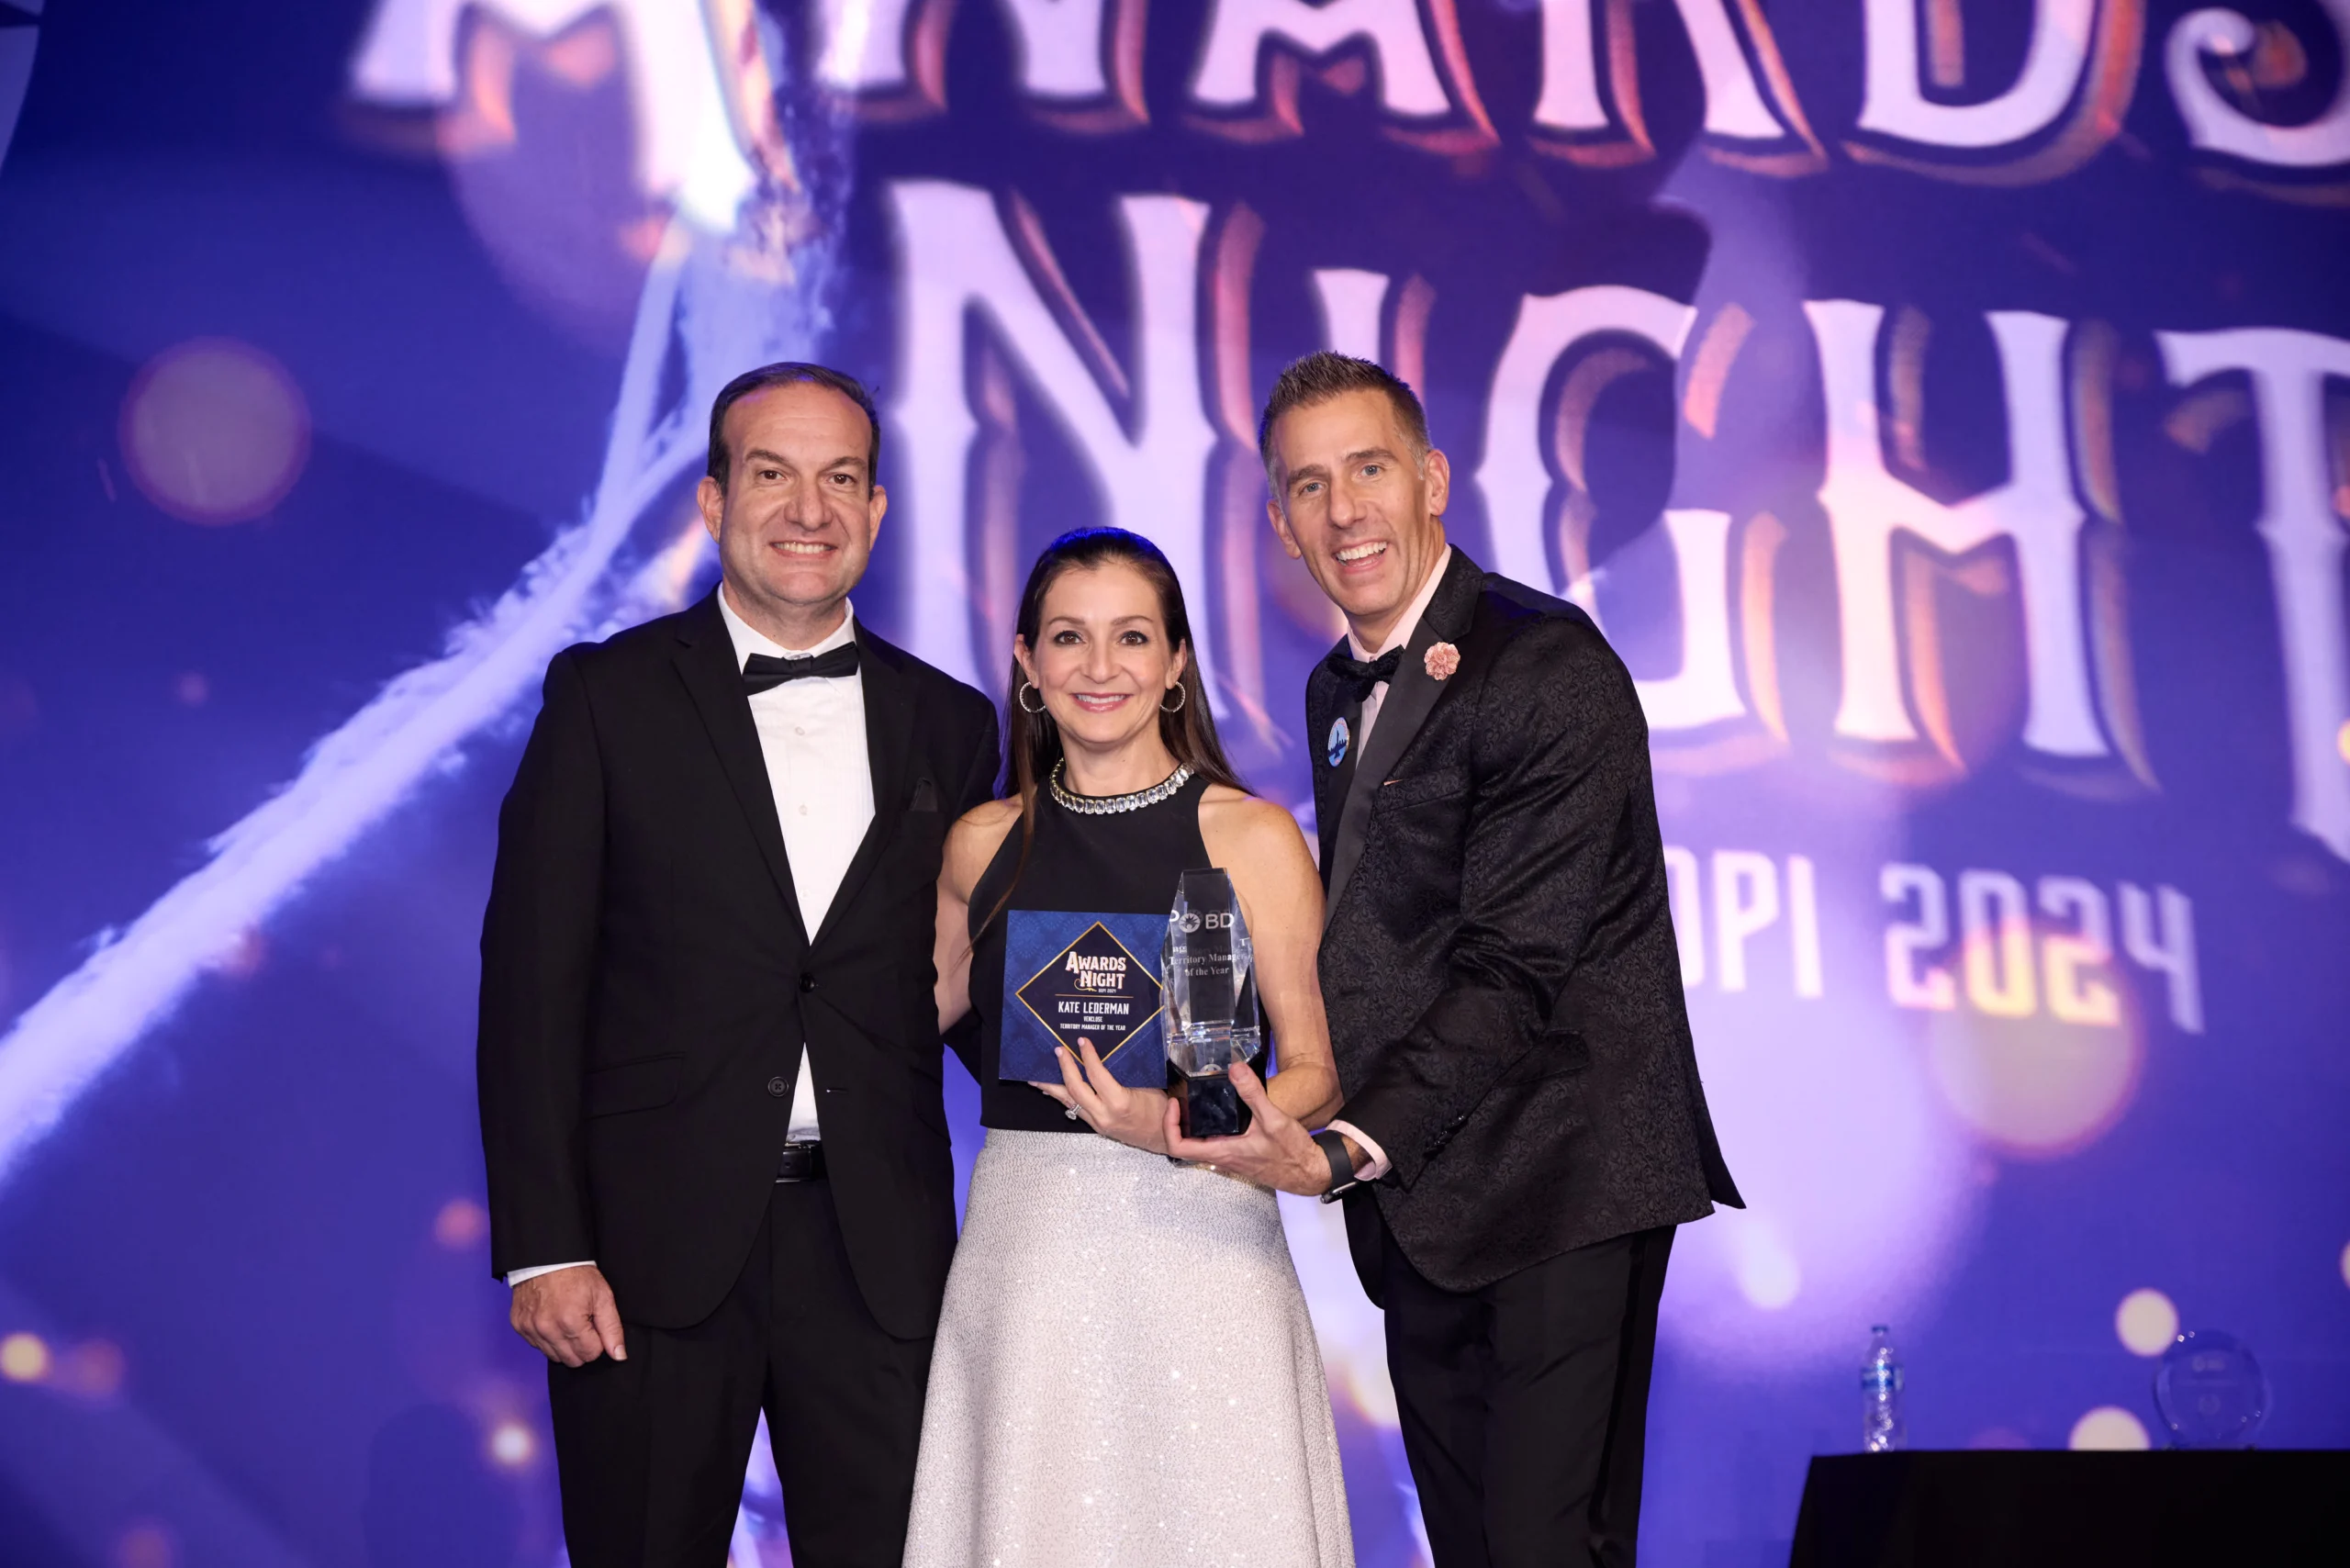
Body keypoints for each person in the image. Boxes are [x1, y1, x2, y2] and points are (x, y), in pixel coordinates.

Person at [1172, 352, 1742, 1568]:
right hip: (1425, 1201)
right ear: (1281, 522)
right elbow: (1387, 943)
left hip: (1562, 1179)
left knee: (1545, 1552)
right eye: (1310, 486)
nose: (1344, 511)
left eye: (1368, 470)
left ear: (1430, 479)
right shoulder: (1336, 690)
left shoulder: (1544, 663)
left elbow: (1513, 966)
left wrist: (1336, 1145)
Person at [476, 363, 999, 1568]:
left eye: (842, 480)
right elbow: (530, 987)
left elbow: (970, 985)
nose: (808, 509)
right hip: (647, 1253)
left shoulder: (953, 723)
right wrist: (547, 1244)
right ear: (713, 502)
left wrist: (1154, 1065)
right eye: (773, 474)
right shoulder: (605, 699)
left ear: (875, 512)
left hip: (880, 1251)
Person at [905, 527, 1355, 1568]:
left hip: (1201, 1239)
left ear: (1175, 664)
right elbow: (892, 1022)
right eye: (1068, 638)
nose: (1098, 669)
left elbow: (1318, 1070)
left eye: (1131, 638)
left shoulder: (1250, 833)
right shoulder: (980, 843)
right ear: (1025, 663)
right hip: (1029, 1250)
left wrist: (1180, 1126)